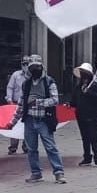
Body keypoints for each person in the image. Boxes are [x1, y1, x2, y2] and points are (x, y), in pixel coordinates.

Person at [20, 55, 65, 183]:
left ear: (42, 67)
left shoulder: (49, 82)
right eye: (33, 67)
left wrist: (37, 102)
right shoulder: (26, 84)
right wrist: (12, 121)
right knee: (31, 149)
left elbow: (55, 100)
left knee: (50, 147)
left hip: (44, 119)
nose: (35, 69)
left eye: (37, 67)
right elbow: (21, 103)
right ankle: (36, 173)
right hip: (29, 119)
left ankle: (59, 172)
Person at [71, 62, 97, 166]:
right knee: (85, 137)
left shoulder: (95, 86)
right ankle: (87, 157)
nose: (83, 76)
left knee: (93, 137)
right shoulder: (79, 87)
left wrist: (89, 93)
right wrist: (70, 104)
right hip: (81, 115)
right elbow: (74, 99)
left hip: (92, 116)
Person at [5, 56, 30, 154]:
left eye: (27, 64)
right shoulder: (16, 75)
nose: (26, 66)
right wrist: (9, 99)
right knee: (14, 124)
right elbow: (10, 87)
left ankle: (26, 146)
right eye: (24, 64)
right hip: (15, 103)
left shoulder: (32, 76)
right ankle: (13, 147)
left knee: (27, 126)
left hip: (28, 104)